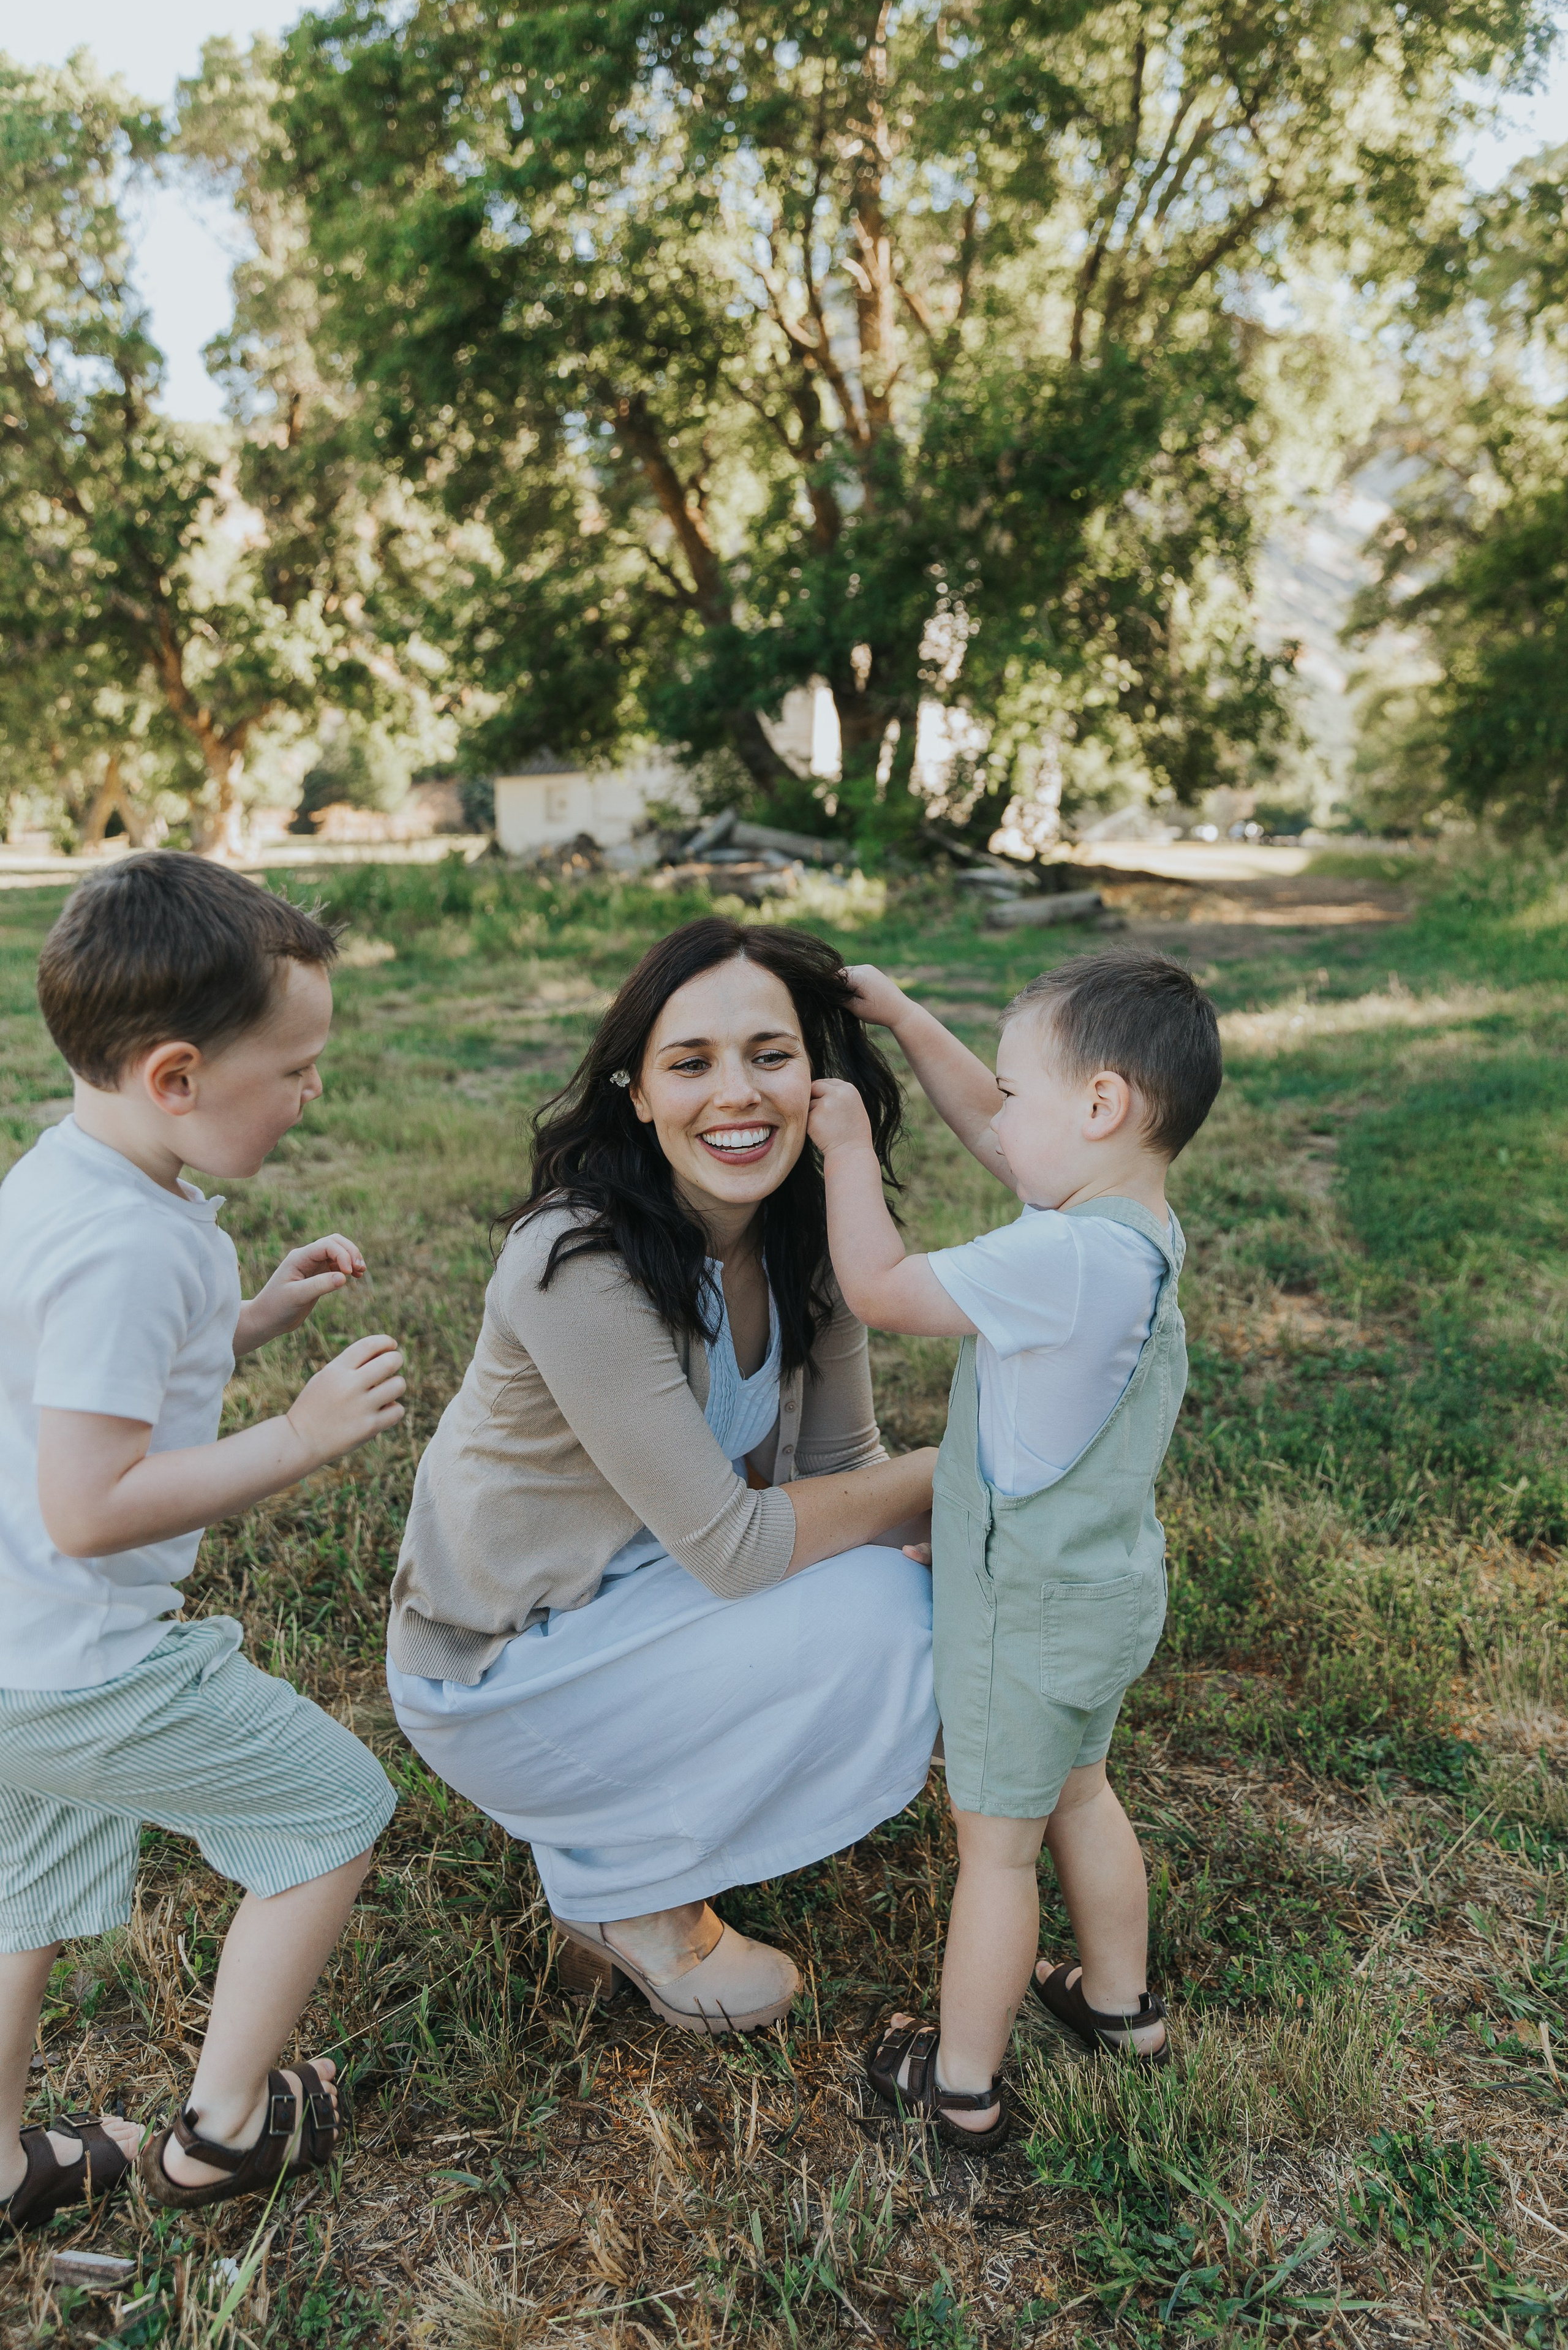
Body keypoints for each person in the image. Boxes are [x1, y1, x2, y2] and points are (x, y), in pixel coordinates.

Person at [387, 917, 939, 2033]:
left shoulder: (808, 1237)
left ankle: (631, 1841)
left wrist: (912, 1518)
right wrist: (953, 1472)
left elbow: (841, 1465)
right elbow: (738, 1548)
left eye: (769, 1055)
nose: (737, 1093)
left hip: (644, 1593)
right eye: (691, 1063)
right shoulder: (574, 1258)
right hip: (500, 1668)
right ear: (637, 1092)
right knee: (885, 1601)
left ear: (815, 1073)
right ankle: (626, 1892)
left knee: (918, 1587)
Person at [0, 854, 405, 2232]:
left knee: (20, 1894)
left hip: (11, 1650)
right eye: (293, 1069)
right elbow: (91, 1503)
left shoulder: (72, 1182)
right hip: (85, 1657)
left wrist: (253, 1320)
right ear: (175, 1077)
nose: (310, 1095)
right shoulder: (130, 1247)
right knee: (330, 1810)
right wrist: (295, 1435)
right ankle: (228, 2132)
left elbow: (102, 1379)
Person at [806, 948, 1223, 2147]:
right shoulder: (1130, 1224)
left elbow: (881, 1288)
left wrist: (844, 1149)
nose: (996, 1118)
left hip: (1024, 1606)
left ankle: (962, 2089)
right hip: (1102, 1590)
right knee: (1080, 1791)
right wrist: (897, 1014)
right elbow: (997, 1128)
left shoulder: (1054, 1261)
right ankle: (1118, 2009)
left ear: (1097, 1107)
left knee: (993, 1852)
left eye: (1018, 1093)